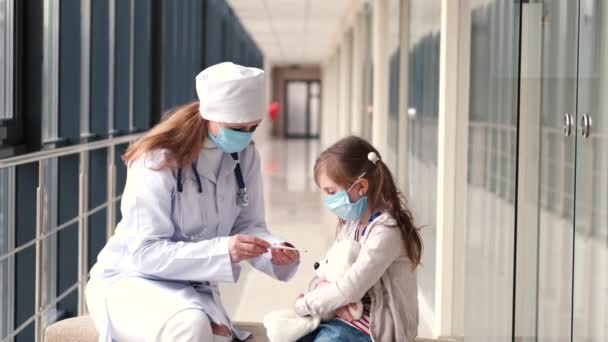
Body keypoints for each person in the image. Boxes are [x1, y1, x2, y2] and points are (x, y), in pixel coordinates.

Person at [86, 62, 300, 342]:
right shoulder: (157, 159)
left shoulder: (245, 157)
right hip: (132, 279)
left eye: (253, 127)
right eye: (237, 128)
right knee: (192, 327)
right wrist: (224, 250)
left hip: (190, 284)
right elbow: (144, 253)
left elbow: (249, 224)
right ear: (209, 115)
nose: (245, 135)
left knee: (217, 335)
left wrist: (272, 249)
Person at [294, 136, 421, 342]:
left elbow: (349, 288)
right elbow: (324, 272)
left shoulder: (386, 232)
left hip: (376, 331)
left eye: (331, 191)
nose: (328, 200)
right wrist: (327, 294)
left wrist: (303, 305)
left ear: (361, 187)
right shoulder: (351, 224)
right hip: (344, 319)